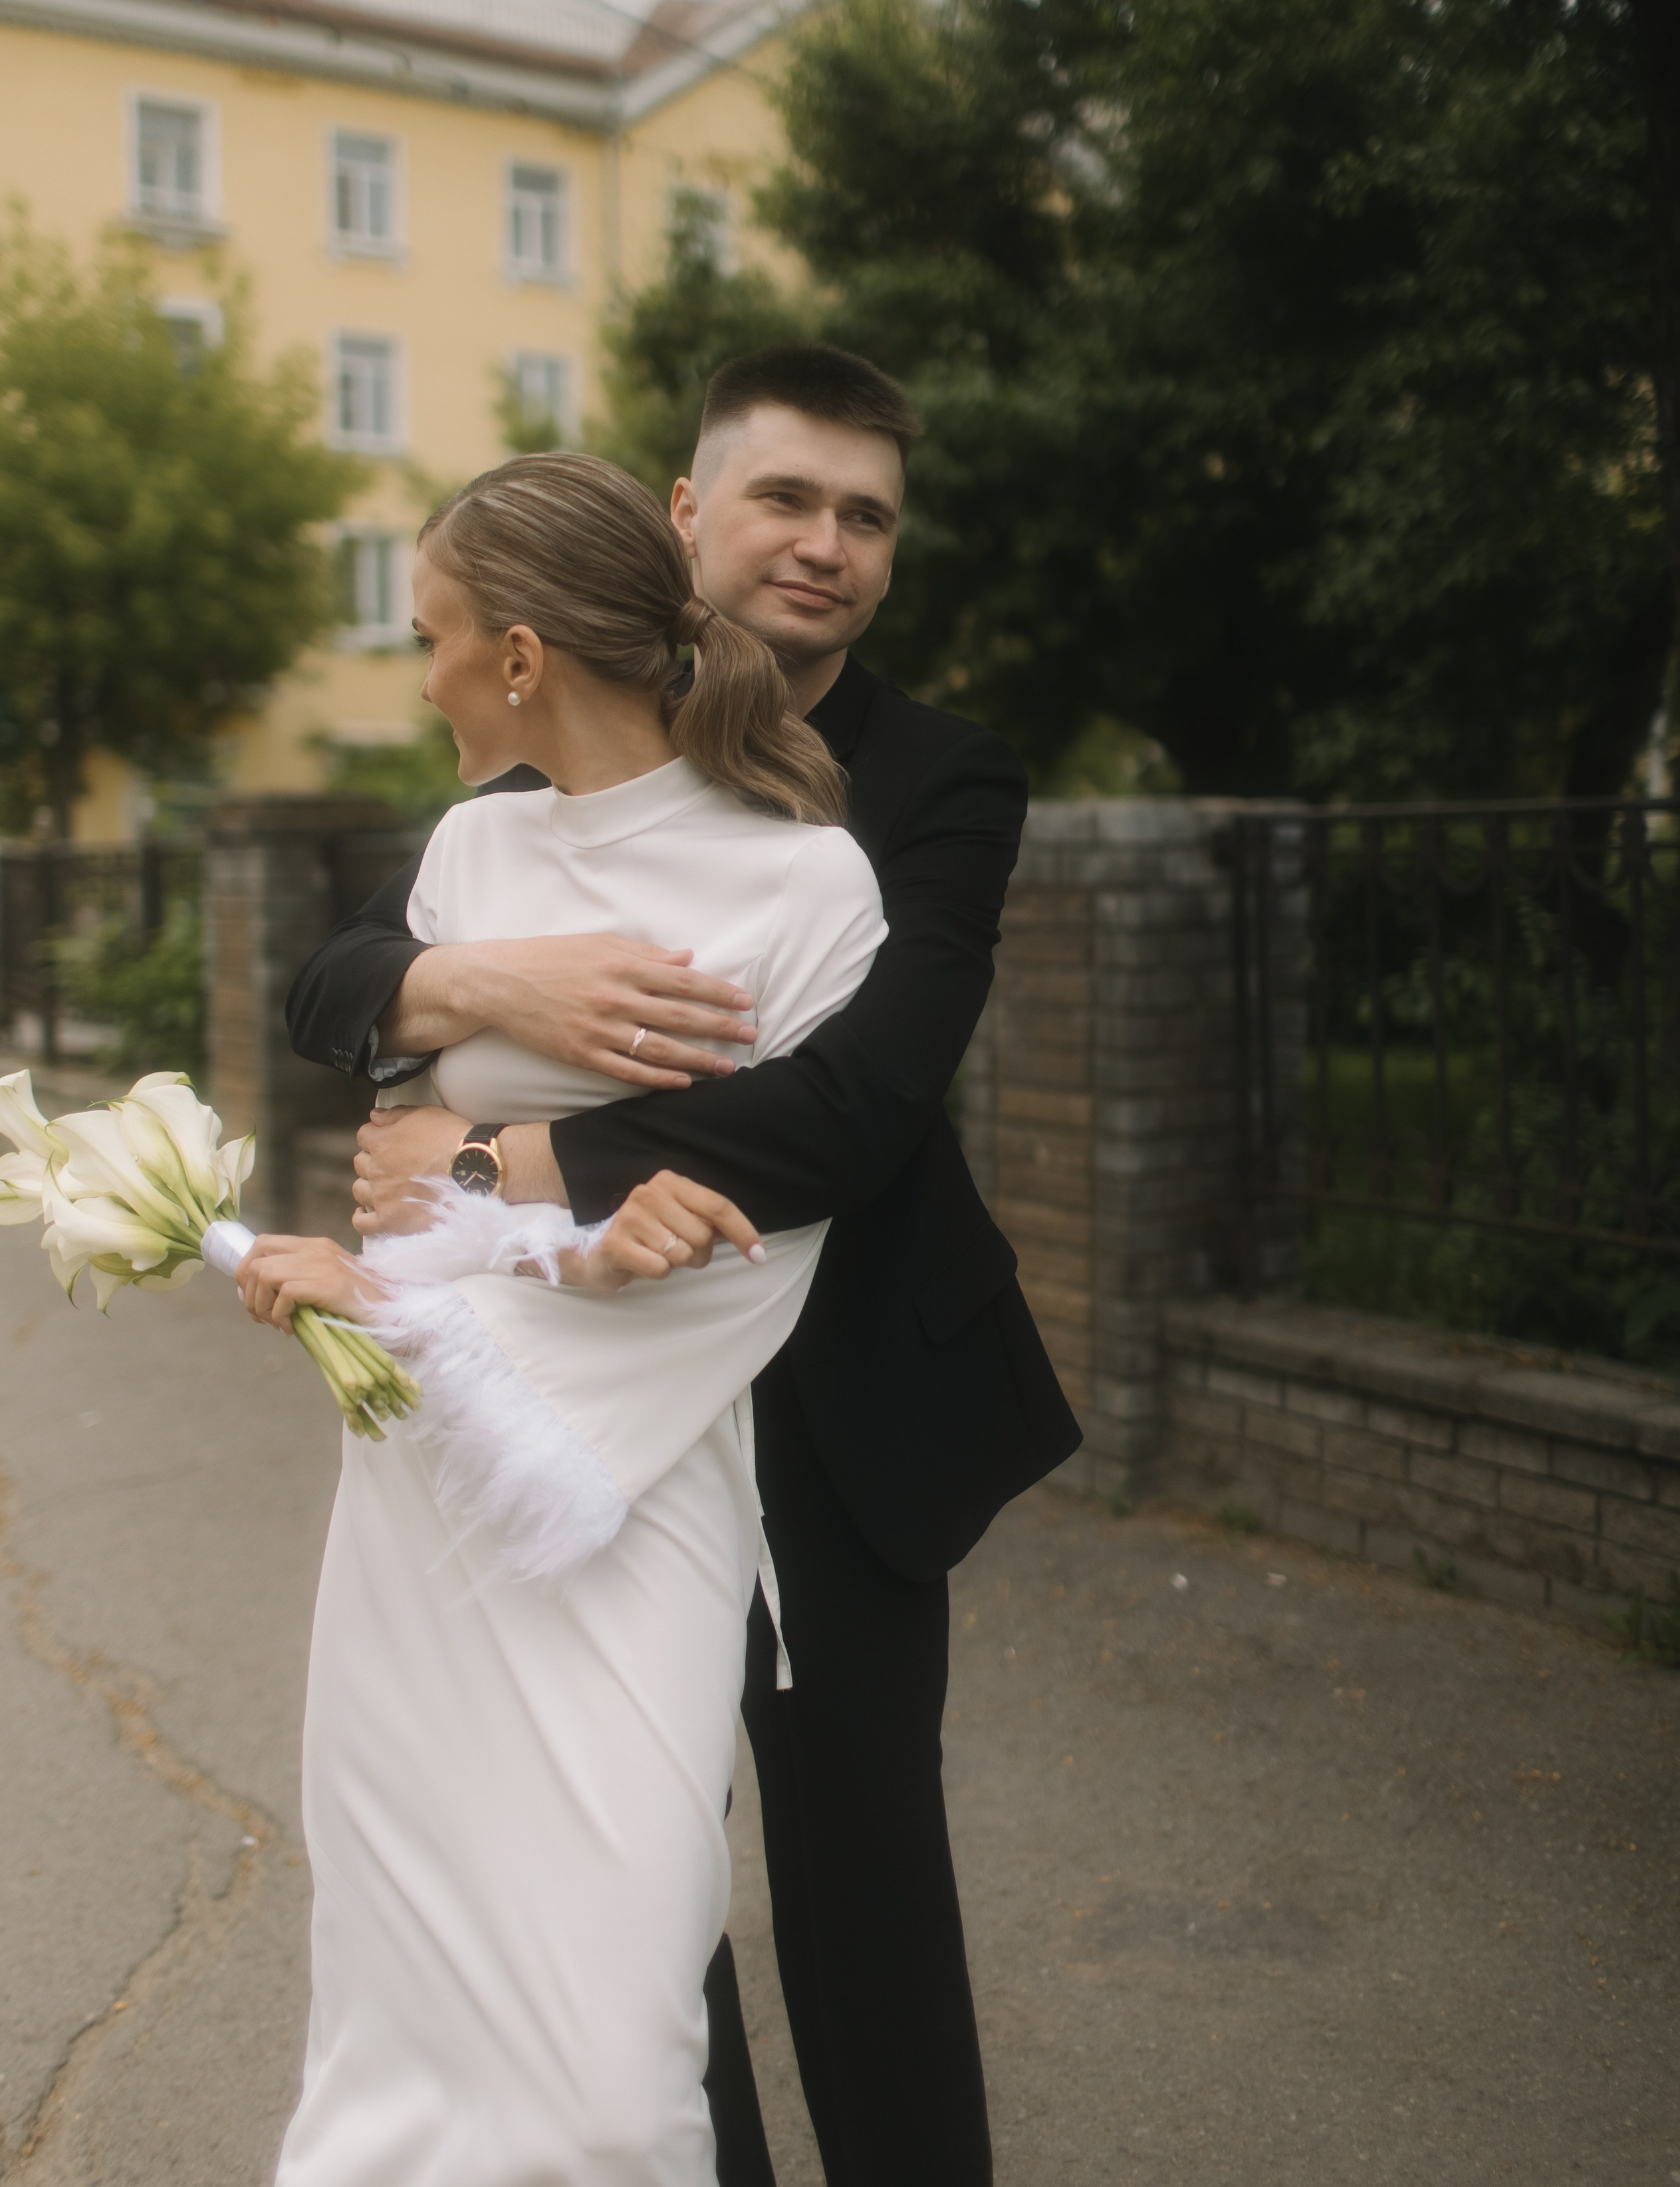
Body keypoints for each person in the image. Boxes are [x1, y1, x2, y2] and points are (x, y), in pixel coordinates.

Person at [285, 346, 1082, 2187]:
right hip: (556, 1412)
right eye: (787, 497)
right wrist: (482, 983)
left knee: (865, 1879)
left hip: (838, 1398)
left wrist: (498, 1160)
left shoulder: (937, 781)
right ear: (684, 514)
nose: (826, 545)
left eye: (867, 517)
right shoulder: (506, 804)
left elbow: (856, 1106)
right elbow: (345, 988)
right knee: (626, 1900)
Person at [241, 450, 889, 2186]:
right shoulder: (471, 851)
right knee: (407, 2005)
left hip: (638, 1500)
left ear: (519, 657)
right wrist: (475, 1007)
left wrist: (435, 1270)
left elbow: (757, 1243)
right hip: (417, 1507)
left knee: (614, 2064)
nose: (424, 677)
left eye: (432, 637)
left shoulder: (809, 890)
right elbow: (381, 1128)